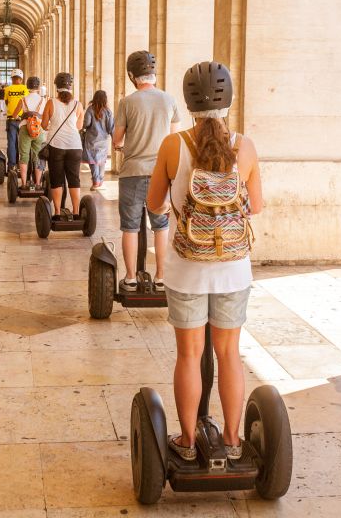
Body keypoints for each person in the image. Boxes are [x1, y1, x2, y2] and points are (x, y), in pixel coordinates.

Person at [146, 61, 263, 463]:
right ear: (228, 99)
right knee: (230, 353)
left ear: (189, 101)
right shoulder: (244, 146)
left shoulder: (172, 145)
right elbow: (257, 207)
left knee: (189, 354)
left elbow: (154, 204)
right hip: (233, 267)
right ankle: (232, 440)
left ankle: (188, 440)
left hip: (186, 267)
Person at [112, 50, 180, 290]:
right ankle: (161, 278)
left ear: (132, 75)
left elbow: (117, 138)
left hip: (132, 171)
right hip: (161, 172)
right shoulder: (169, 100)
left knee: (130, 227)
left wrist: (122, 144)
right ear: (153, 74)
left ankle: (130, 278)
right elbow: (174, 140)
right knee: (160, 226)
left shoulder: (127, 102)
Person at [41, 72, 84, 218]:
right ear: (70, 86)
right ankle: (77, 211)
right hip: (75, 146)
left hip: (56, 145)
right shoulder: (78, 104)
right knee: (74, 179)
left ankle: (58, 212)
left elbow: (44, 124)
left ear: (56, 87)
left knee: (56, 179)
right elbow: (79, 126)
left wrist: (51, 126)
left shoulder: (51, 102)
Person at [15, 76, 46, 188]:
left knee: (24, 156)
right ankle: (38, 183)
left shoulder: (23, 99)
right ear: (38, 87)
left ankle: (23, 183)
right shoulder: (43, 100)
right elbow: (46, 116)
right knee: (38, 156)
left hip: (25, 129)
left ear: (27, 86)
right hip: (39, 129)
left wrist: (19, 117)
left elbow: (14, 115)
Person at [83, 89, 114, 190]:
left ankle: (95, 181)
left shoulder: (90, 109)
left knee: (93, 160)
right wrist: (115, 140)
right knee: (101, 160)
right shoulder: (108, 111)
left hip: (91, 139)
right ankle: (100, 180)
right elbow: (111, 128)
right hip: (103, 140)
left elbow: (86, 124)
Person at [3, 69, 29, 170]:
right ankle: (22, 164)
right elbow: (27, 102)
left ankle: (11, 165)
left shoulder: (7, 89)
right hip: (23, 119)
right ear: (21, 79)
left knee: (11, 142)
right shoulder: (25, 89)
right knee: (23, 143)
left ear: (12, 79)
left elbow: (6, 102)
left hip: (11, 119)